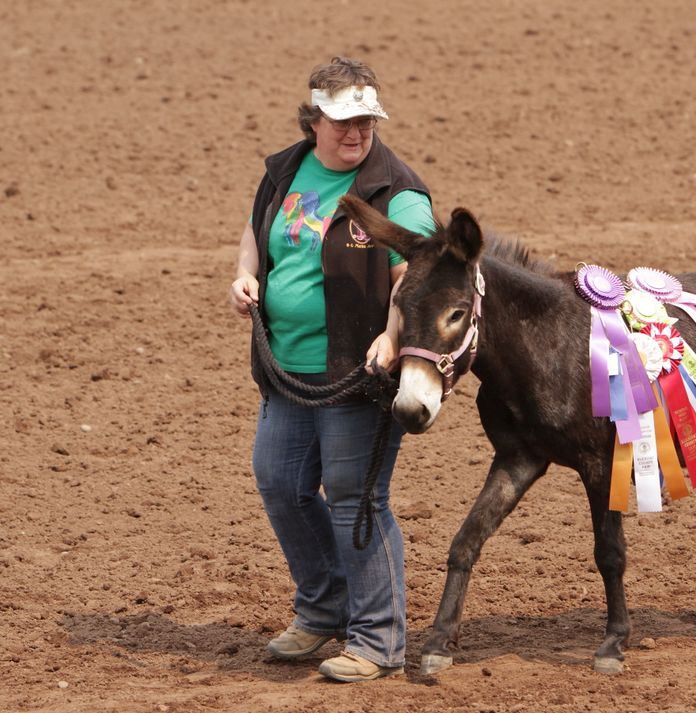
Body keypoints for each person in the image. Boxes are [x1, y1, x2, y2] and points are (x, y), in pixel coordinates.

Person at [228, 56, 434, 682]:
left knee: (355, 499)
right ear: (314, 118)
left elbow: (415, 281)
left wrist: (391, 337)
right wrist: (244, 274)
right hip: (286, 371)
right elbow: (255, 229)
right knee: (281, 484)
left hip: (355, 375)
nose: (357, 134)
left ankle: (378, 639)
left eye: (367, 122)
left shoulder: (395, 191)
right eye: (344, 122)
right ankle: (323, 609)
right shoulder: (286, 168)